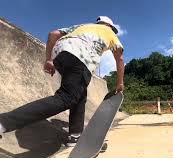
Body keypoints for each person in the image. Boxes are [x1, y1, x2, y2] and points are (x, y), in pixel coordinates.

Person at [0, 16, 125, 146]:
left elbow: (53, 34)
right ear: (110, 27)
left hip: (60, 54)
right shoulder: (110, 33)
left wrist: (48, 60)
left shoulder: (81, 26)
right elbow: (119, 59)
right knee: (66, 97)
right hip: (81, 57)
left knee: (80, 95)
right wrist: (120, 83)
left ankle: (75, 135)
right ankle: (4, 122)